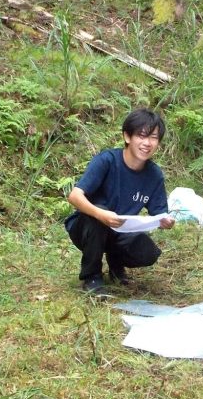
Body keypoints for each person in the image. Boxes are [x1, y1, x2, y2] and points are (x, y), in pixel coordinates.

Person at [65, 109, 175, 294]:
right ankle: (91, 277)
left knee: (148, 252)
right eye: (141, 136)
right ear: (127, 136)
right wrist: (101, 214)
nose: (147, 143)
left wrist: (166, 222)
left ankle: (115, 263)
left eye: (153, 138)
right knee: (98, 215)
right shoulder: (107, 161)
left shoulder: (154, 175)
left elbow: (160, 214)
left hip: (119, 231)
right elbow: (75, 196)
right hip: (87, 228)